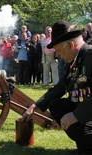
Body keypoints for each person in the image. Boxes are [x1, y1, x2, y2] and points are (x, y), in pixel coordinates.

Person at [22, 20, 92, 154]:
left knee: (70, 115)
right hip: (87, 115)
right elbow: (60, 88)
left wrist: (76, 115)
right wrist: (34, 106)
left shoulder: (90, 57)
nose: (58, 55)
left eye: (59, 50)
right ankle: (85, 148)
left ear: (71, 45)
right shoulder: (73, 61)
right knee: (56, 105)